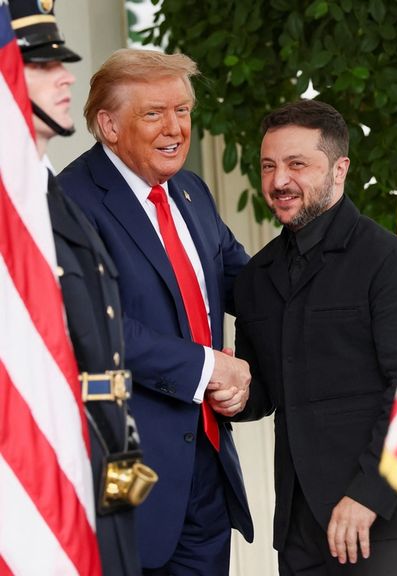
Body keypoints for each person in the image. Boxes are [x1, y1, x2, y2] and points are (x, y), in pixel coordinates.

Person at [58, 48, 254, 575]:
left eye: (183, 111)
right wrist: (211, 368)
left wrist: (345, 268)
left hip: (206, 465)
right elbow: (92, 326)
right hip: (125, 472)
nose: (175, 128)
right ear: (109, 125)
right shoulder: (68, 202)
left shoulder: (189, 191)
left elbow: (247, 285)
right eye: (154, 113)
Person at [231, 99, 397, 575]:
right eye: (268, 166)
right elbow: (264, 393)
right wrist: (232, 390)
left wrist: (368, 495)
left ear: (340, 169)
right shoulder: (256, 276)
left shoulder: (393, 264)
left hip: (385, 525)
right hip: (299, 534)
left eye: (297, 164)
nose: (279, 180)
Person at [8, 2, 156, 575]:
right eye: (43, 65)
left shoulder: (54, 195)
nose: (67, 76)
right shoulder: (13, 212)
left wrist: (122, 451)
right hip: (39, 455)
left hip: (102, 447)